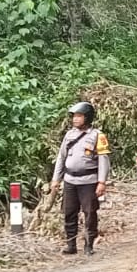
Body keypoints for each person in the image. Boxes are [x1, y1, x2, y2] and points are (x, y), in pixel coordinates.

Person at [49, 101, 110, 255]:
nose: (75, 119)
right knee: (69, 212)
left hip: (88, 181)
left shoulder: (97, 136)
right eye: (74, 116)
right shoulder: (69, 135)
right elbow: (61, 158)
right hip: (70, 180)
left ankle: (89, 245)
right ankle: (71, 245)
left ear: (87, 117)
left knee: (90, 213)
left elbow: (103, 160)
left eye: (79, 116)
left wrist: (101, 182)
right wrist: (56, 179)